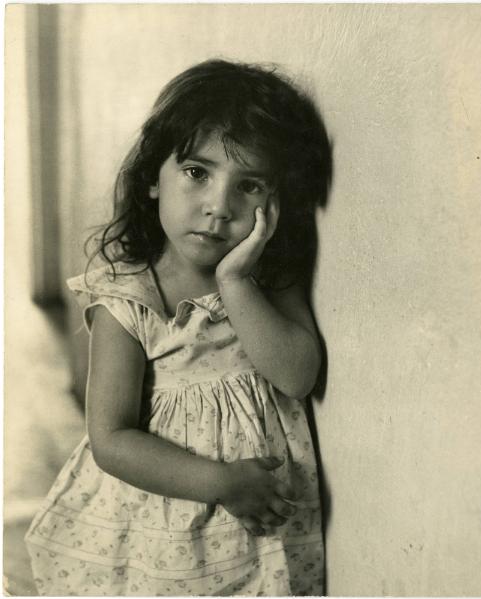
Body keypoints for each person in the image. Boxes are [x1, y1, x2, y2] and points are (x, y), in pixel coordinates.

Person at [25, 59, 332, 596]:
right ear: (151, 180)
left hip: (260, 524)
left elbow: (297, 376)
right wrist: (219, 481)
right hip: (164, 518)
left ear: (277, 200)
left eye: (251, 185)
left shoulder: (267, 275)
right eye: (197, 173)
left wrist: (235, 282)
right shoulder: (128, 296)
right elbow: (111, 439)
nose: (219, 207)